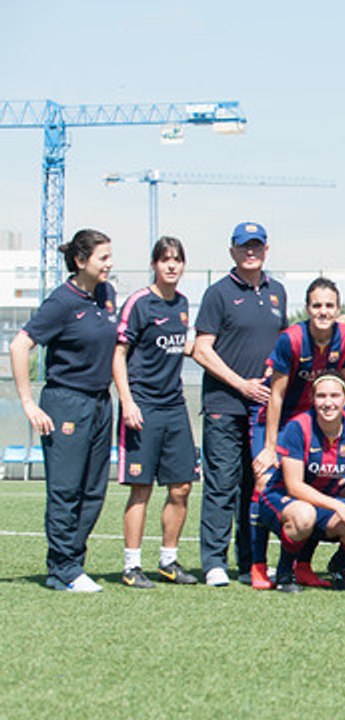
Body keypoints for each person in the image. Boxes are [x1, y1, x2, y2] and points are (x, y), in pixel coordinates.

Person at [9, 229, 117, 592]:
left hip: (102, 403)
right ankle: (63, 570)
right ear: (80, 261)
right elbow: (19, 345)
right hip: (67, 401)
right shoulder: (61, 302)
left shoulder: (106, 294)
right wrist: (28, 402)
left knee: (94, 491)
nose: (109, 264)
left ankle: (74, 563)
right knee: (66, 490)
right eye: (103, 258)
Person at [192, 221, 287, 586]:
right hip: (224, 404)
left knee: (256, 485)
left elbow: (283, 347)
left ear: (266, 249)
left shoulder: (277, 291)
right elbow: (202, 350)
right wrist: (240, 385)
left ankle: (250, 563)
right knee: (221, 484)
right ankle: (214, 562)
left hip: (262, 409)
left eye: (257, 245)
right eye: (244, 246)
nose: (251, 251)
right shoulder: (218, 293)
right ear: (231, 250)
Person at [252, 276, 345, 588]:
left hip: (318, 421)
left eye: (329, 306)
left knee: (319, 488)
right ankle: (258, 564)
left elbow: (341, 388)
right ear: (307, 308)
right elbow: (277, 395)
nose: (323, 311)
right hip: (281, 420)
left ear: (338, 309)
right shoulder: (291, 339)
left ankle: (301, 565)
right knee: (263, 480)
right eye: (317, 305)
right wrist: (271, 446)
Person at [112, 236, 199, 588]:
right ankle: (131, 566)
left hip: (174, 407)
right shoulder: (139, 303)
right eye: (165, 259)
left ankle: (168, 561)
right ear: (154, 264)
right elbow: (119, 355)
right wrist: (128, 401)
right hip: (142, 407)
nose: (171, 266)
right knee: (141, 488)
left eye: (177, 259)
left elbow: (184, 346)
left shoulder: (182, 304)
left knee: (181, 487)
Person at [259, 373, 345, 592]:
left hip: (322, 502)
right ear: (313, 399)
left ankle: (340, 566)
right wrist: (339, 506)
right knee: (304, 516)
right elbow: (294, 486)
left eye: (334, 395)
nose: (328, 402)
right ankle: (285, 573)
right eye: (321, 396)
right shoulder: (298, 427)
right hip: (282, 497)